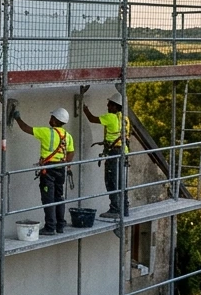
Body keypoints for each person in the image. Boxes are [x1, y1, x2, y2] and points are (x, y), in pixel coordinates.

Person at [10, 106, 75, 235]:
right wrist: (65, 163)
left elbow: (26, 128)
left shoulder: (46, 132)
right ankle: (60, 225)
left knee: (48, 199)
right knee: (59, 197)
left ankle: (50, 227)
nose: (49, 119)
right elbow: (71, 152)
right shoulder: (68, 136)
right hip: (60, 169)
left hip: (48, 170)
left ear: (54, 120)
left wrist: (17, 117)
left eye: (51, 117)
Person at [83, 95, 130, 219]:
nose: (107, 106)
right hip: (124, 152)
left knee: (111, 181)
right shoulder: (125, 119)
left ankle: (115, 209)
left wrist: (84, 108)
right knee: (121, 181)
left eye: (110, 104)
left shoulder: (110, 117)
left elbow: (92, 119)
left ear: (115, 106)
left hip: (114, 153)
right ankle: (124, 208)